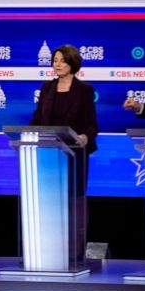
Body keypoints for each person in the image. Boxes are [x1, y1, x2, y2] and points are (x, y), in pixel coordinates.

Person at [31, 44, 98, 259]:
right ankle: (48, 248)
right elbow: (38, 120)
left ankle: (74, 252)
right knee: (49, 200)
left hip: (75, 155)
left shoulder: (84, 90)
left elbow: (91, 124)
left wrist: (85, 137)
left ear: (72, 63)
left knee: (74, 201)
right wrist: (26, 134)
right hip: (49, 154)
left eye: (61, 60)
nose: (57, 64)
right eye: (55, 60)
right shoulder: (47, 88)